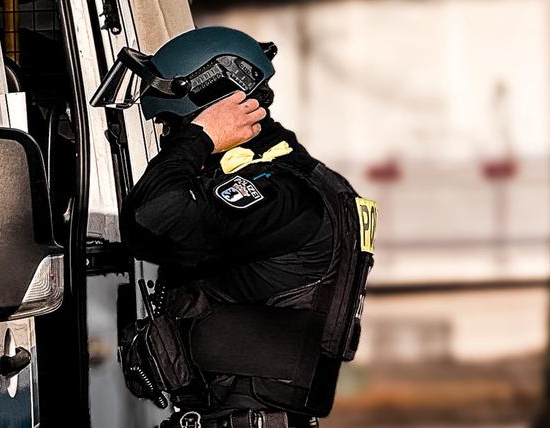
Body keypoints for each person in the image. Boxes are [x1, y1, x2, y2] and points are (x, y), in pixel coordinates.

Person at [92, 27, 377, 428]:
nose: (168, 139)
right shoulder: (291, 180)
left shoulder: (281, 192)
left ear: (218, 107)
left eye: (173, 126)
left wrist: (199, 136)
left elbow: (151, 223)